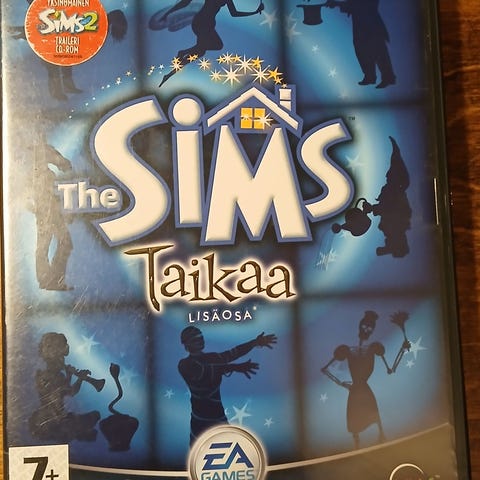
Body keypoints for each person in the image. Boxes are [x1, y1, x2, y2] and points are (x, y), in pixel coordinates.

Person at [322, 311, 409, 449]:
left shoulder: (374, 348)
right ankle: (357, 445)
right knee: (355, 418)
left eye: (370, 328)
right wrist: (342, 384)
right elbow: (325, 369)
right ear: (359, 326)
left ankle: (380, 437)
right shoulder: (347, 350)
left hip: (363, 389)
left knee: (373, 414)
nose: (366, 330)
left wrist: (402, 350)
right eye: (364, 326)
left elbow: (390, 369)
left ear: (372, 330)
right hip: (355, 390)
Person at [179, 326, 276, 444]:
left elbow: (230, 355)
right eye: (195, 339)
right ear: (186, 344)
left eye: (201, 337)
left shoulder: (211, 358)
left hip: (218, 418)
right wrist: (236, 366)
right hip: (200, 422)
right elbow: (206, 370)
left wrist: (254, 343)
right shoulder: (184, 365)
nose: (200, 340)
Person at [29, 333, 101, 442]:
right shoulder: (43, 376)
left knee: (94, 417)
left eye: (62, 357)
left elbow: (71, 392)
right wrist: (72, 376)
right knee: (86, 425)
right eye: (60, 358)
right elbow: (61, 392)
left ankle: (75, 432)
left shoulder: (59, 375)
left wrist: (78, 378)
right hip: (50, 420)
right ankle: (72, 433)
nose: (63, 361)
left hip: (60, 416)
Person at [326, 0, 396, 88]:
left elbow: (361, 6)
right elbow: (353, 6)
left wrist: (337, 4)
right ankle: (371, 77)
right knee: (363, 52)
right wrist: (338, 4)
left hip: (371, 26)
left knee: (378, 52)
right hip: (361, 26)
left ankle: (387, 78)